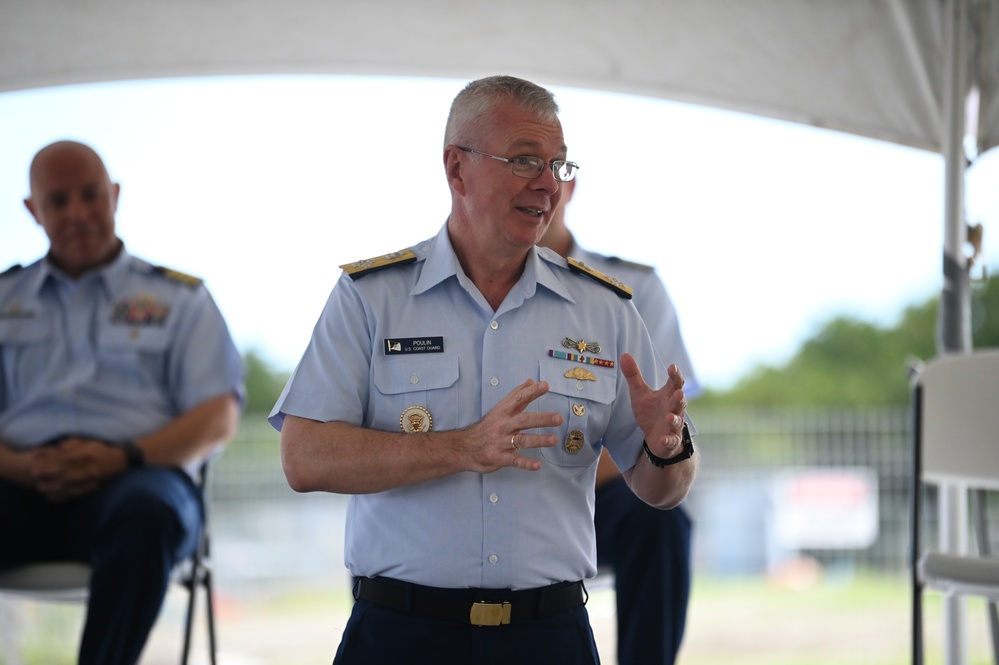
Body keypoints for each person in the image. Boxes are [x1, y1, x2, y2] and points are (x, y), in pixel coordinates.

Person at [270, 75, 698, 665]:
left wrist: (668, 448)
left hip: (550, 635)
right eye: (525, 161)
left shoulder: (606, 309)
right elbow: (304, 458)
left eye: (559, 165)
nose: (548, 185)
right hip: (400, 633)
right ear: (456, 169)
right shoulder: (372, 298)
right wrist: (463, 447)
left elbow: (660, 492)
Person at [0, 140, 244, 665]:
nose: (78, 213)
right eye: (58, 200)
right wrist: (20, 465)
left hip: (137, 479)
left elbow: (216, 415)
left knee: (149, 510)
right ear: (31, 210)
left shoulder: (181, 298)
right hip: (16, 484)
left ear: (114, 195)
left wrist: (122, 457)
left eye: (90, 195)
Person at [539, 178, 700, 665]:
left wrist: (545, 474)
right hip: (478, 484)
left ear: (568, 185)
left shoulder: (632, 288)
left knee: (659, 519)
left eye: (547, 168)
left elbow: (662, 420)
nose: (534, 186)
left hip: (587, 488)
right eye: (516, 163)